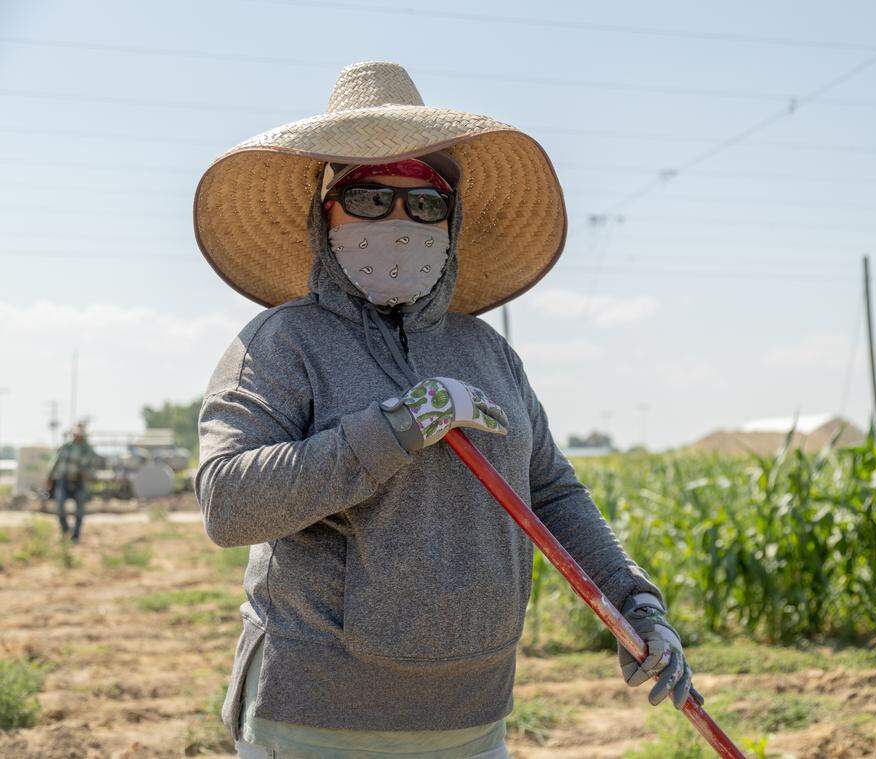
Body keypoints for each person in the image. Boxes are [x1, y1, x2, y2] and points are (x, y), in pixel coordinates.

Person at [193, 61, 699, 758]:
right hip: (317, 721)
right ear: (326, 212)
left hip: (472, 722)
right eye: (371, 197)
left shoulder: (487, 354)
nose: (399, 221)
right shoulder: (285, 342)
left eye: (424, 202)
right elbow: (228, 504)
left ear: (452, 222)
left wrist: (635, 604)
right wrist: (395, 428)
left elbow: (551, 492)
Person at [45, 423, 100, 543]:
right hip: (63, 480)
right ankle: (66, 530)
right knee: (59, 506)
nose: (77, 436)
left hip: (79, 482)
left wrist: (88, 474)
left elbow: (93, 467)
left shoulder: (87, 450)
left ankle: (76, 536)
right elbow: (55, 462)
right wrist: (49, 477)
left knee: (80, 510)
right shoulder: (65, 447)